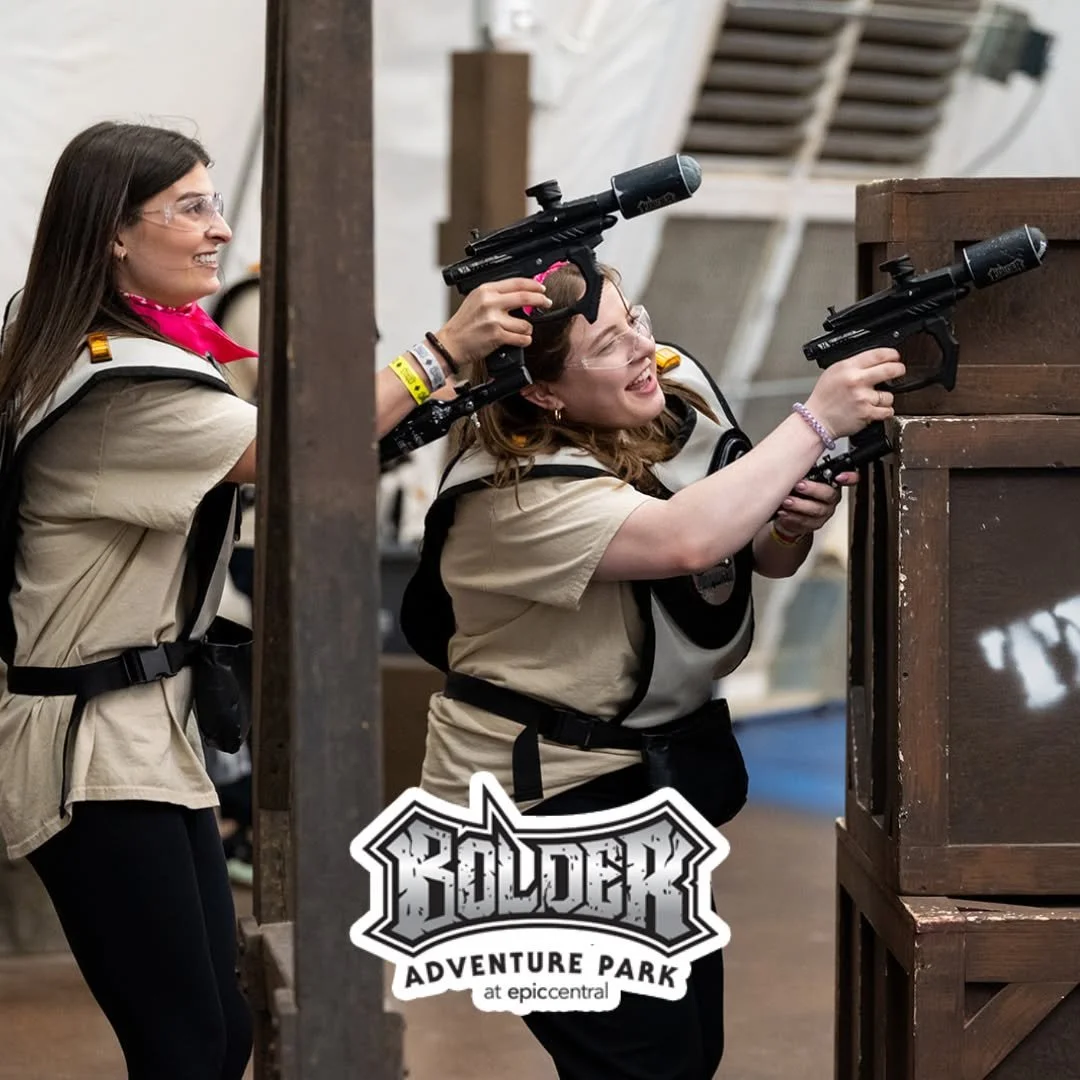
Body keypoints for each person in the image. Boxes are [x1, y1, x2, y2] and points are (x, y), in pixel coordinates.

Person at [0, 119, 548, 1080]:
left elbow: (303, 445)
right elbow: (286, 449)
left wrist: (453, 381)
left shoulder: (96, 346)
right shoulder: (122, 382)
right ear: (113, 236)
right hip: (89, 752)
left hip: (141, 732)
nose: (218, 229)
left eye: (215, 202)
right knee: (184, 1046)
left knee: (219, 1034)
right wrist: (439, 352)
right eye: (190, 208)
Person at [402, 260, 904, 1080]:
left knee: (682, 1054)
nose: (645, 349)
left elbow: (734, 563)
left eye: (638, 319)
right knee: (645, 1066)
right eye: (609, 343)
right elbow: (684, 541)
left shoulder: (640, 432)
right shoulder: (513, 497)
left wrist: (787, 525)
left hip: (627, 790)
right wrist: (816, 421)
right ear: (541, 394)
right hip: (532, 817)